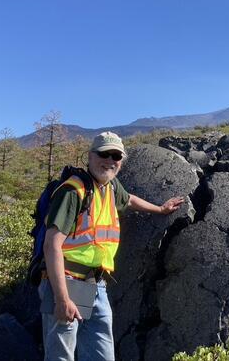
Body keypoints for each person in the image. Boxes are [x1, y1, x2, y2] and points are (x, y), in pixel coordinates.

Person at [39, 131, 184, 361]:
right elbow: (51, 245)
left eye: (115, 156)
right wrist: (61, 299)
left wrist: (160, 209)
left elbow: (130, 200)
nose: (109, 160)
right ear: (90, 156)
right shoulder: (73, 191)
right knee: (61, 356)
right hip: (65, 283)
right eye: (103, 154)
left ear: (121, 161)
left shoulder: (111, 187)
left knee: (102, 355)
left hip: (97, 285)